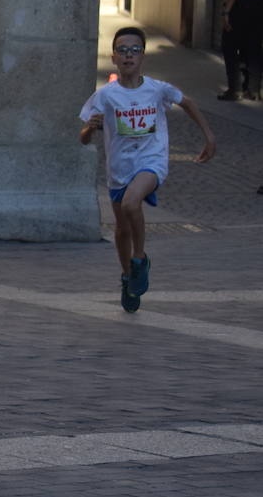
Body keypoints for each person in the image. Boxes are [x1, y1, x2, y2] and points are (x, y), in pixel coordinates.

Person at [79, 26, 215, 313]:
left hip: (151, 162)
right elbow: (82, 135)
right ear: (113, 57)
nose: (129, 56)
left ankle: (140, 260)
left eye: (135, 50)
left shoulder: (157, 90)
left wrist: (208, 137)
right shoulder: (106, 96)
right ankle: (128, 275)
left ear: (143, 57)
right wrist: (89, 129)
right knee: (121, 229)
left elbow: (187, 102)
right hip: (119, 168)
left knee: (132, 203)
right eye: (123, 51)